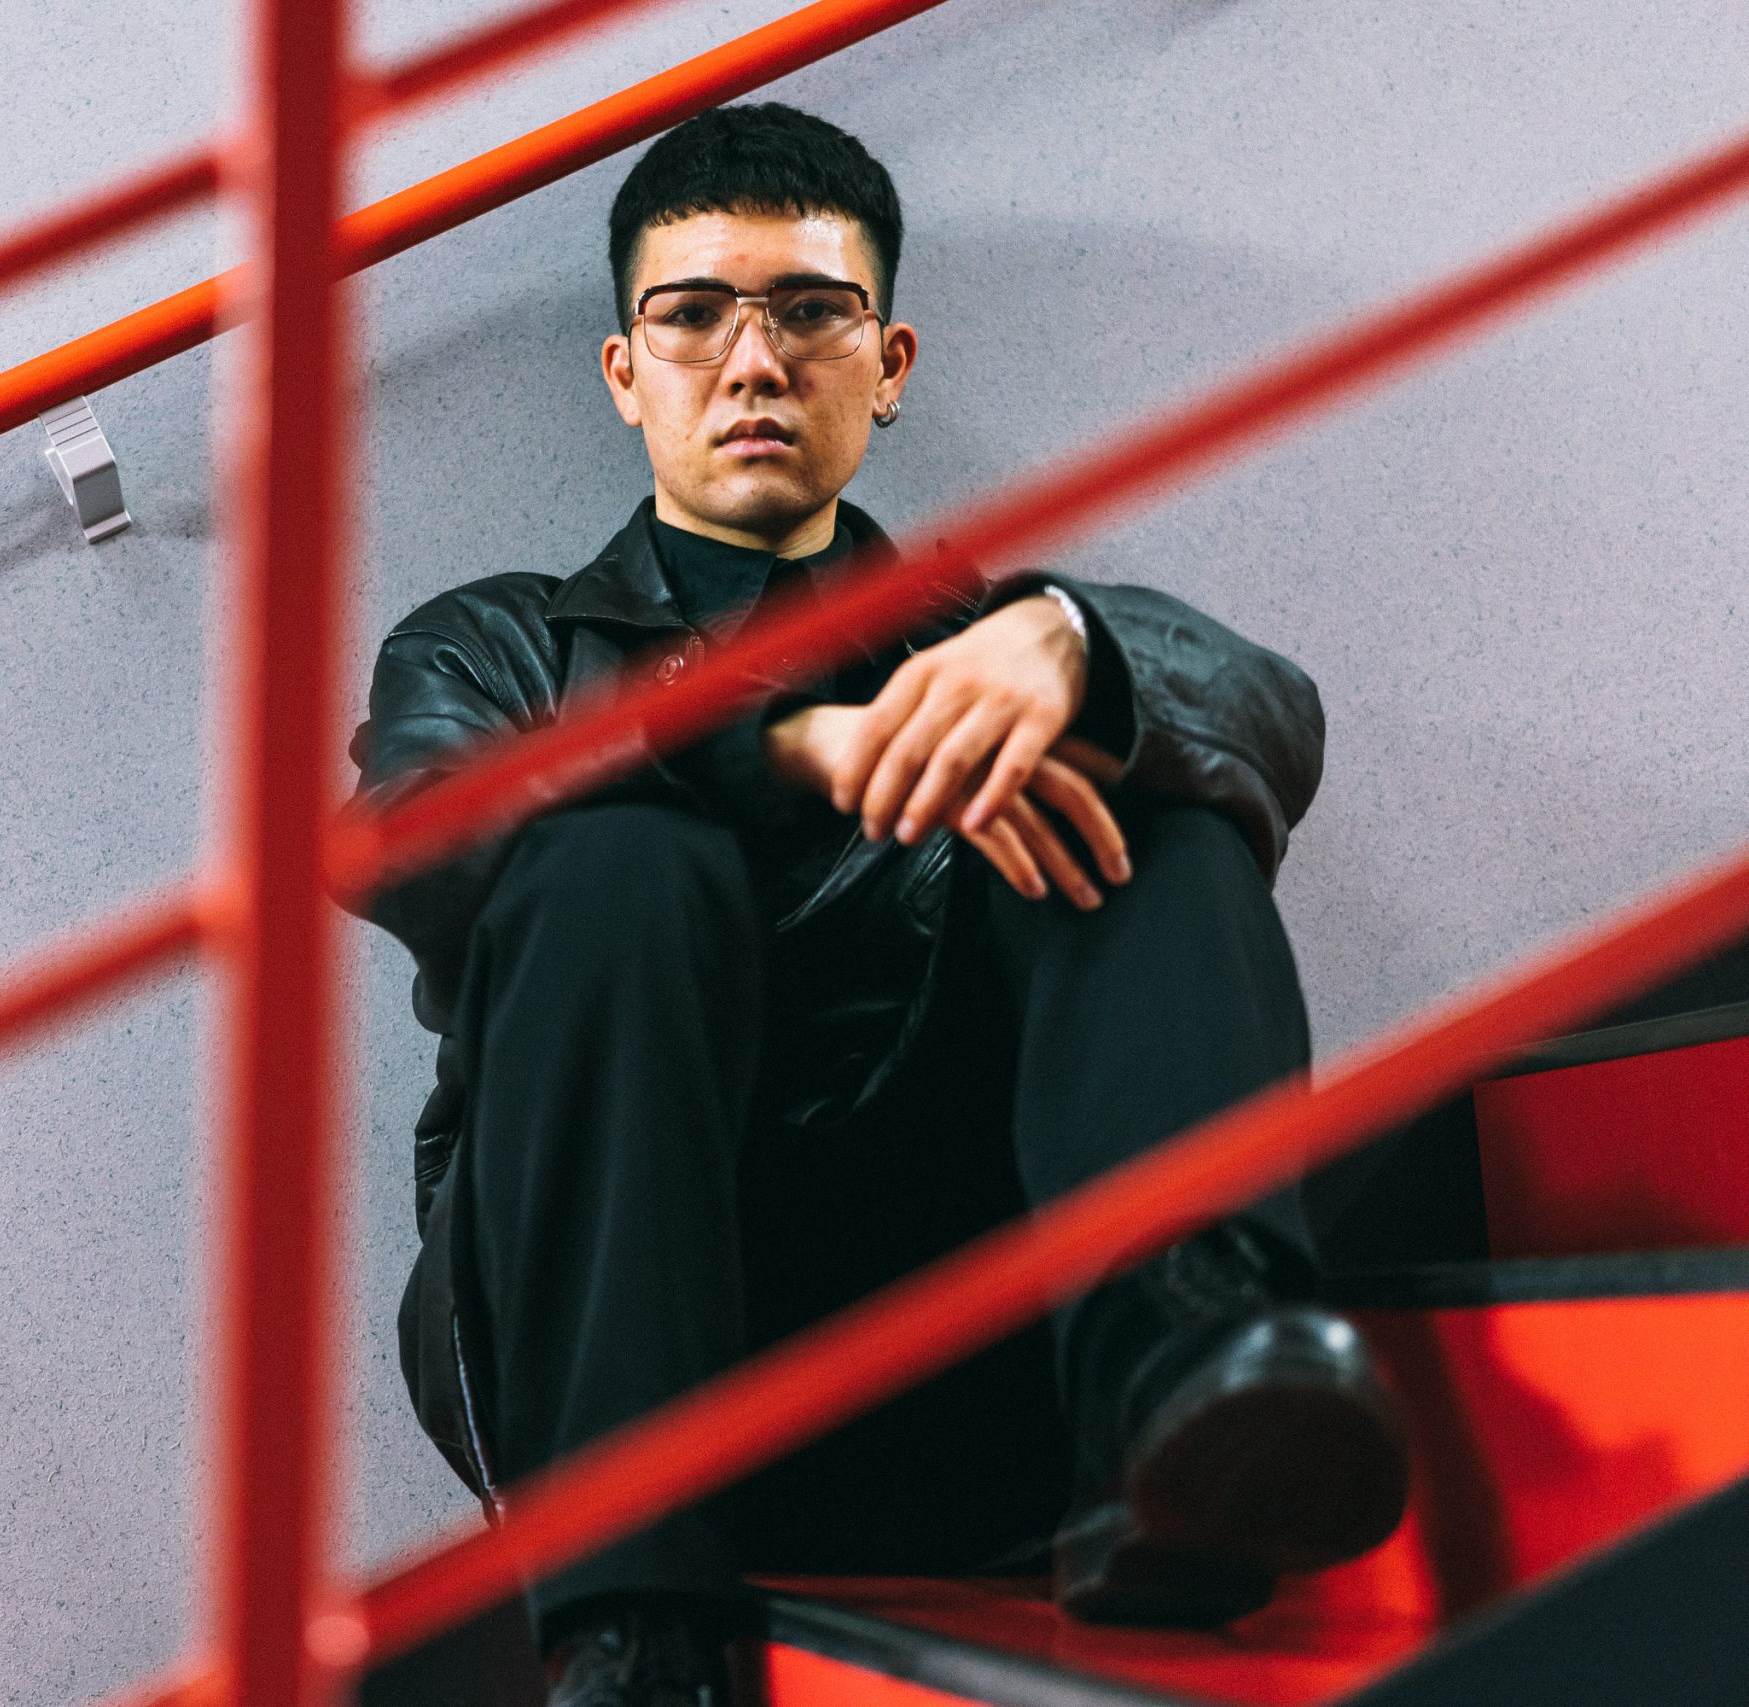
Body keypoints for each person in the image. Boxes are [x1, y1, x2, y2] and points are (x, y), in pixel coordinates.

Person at [340, 103, 1409, 1707]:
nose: (753, 363)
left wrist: (1084, 646)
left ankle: (1192, 1381)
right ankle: (633, 1634)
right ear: (626, 373)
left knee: (1134, 788)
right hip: (631, 1366)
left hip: (974, 1369)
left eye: (809, 313)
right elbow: (418, 840)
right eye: (693, 317)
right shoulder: (493, 647)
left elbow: (1271, 717)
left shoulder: (983, 648)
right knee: (610, 859)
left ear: (888, 363)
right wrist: (778, 751)